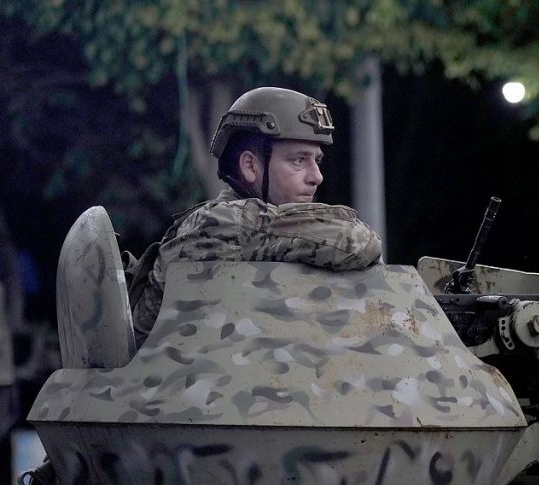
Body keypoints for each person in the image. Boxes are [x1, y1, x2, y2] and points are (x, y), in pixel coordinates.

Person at [129, 87, 383, 346]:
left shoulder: (254, 233)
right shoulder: (222, 224)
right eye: (298, 160)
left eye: (316, 160)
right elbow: (356, 243)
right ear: (250, 166)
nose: (316, 176)